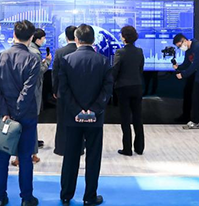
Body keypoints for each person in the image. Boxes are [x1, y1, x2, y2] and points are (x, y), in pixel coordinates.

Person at [59, 24, 113, 206]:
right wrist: (93, 111)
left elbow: (63, 90)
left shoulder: (66, 60)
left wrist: (77, 111)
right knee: (93, 157)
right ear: (93, 39)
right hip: (95, 119)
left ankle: (66, 195)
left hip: (72, 118)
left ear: (76, 39)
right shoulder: (103, 61)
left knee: (70, 157)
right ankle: (90, 197)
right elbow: (107, 90)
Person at [0, 20, 41, 206]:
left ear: (14, 34)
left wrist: (5, 112)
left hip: (5, 117)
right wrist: (17, 112)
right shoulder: (33, 59)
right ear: (31, 37)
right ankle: (26, 198)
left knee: (2, 158)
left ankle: (0, 197)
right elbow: (28, 90)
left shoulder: (0, 57)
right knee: (25, 158)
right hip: (26, 115)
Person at [14, 28, 49, 166]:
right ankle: (27, 155)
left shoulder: (22, 52)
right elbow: (39, 72)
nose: (44, 40)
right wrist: (47, 62)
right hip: (32, 94)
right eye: (43, 38)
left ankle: (27, 154)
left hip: (21, 94)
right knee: (29, 125)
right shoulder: (34, 53)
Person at [113, 25, 145, 157]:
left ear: (124, 37)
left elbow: (115, 70)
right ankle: (139, 147)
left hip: (123, 88)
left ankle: (127, 148)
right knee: (138, 117)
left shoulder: (120, 52)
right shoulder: (139, 51)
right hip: (137, 86)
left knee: (125, 119)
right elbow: (140, 69)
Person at [52, 25, 78, 156]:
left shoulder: (59, 52)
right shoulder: (80, 51)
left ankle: (60, 148)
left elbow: (55, 73)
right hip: (79, 93)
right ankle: (78, 148)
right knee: (78, 121)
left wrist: (55, 90)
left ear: (66, 37)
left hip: (62, 92)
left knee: (61, 121)